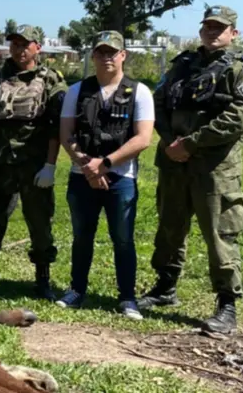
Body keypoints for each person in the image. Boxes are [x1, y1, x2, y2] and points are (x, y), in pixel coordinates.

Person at [141, 6, 243, 334]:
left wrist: (191, 143)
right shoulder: (182, 64)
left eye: (220, 27)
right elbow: (158, 103)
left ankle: (227, 305)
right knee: (170, 226)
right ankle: (165, 288)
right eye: (208, 26)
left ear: (233, 33)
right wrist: (171, 142)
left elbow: (238, 119)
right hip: (173, 161)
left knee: (219, 234)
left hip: (215, 168)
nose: (213, 32)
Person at [56, 31, 155, 320]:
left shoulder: (140, 92)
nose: (107, 57)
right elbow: (66, 134)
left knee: (123, 239)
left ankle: (127, 298)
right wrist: (88, 165)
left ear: (123, 55)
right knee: (81, 236)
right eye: (101, 52)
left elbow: (143, 138)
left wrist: (106, 164)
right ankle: (76, 290)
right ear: (93, 56)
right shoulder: (76, 91)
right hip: (81, 175)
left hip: (121, 179)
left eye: (113, 52)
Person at [0, 25, 67, 298]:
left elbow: (55, 127)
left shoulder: (50, 80)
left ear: (38, 48)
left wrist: (50, 165)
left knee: (39, 220)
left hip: (33, 165)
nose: (20, 50)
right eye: (15, 44)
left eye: (26, 45)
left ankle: (42, 280)